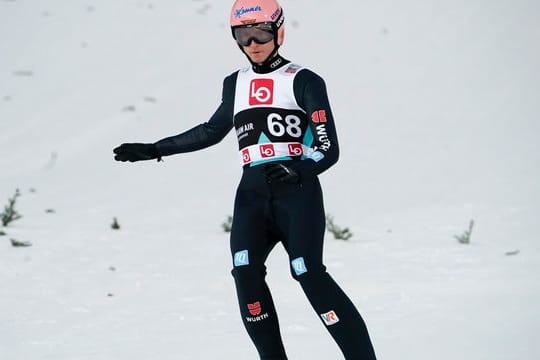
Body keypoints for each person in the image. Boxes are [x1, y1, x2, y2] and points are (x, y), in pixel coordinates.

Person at [113, 0, 377, 358]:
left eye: (260, 34)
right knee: (244, 270)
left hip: (296, 193)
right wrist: (156, 148)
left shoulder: (304, 80)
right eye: (242, 35)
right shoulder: (235, 83)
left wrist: (298, 169)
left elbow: (328, 147)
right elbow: (210, 131)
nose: (252, 44)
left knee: (307, 272)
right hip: (252, 193)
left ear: (279, 32)